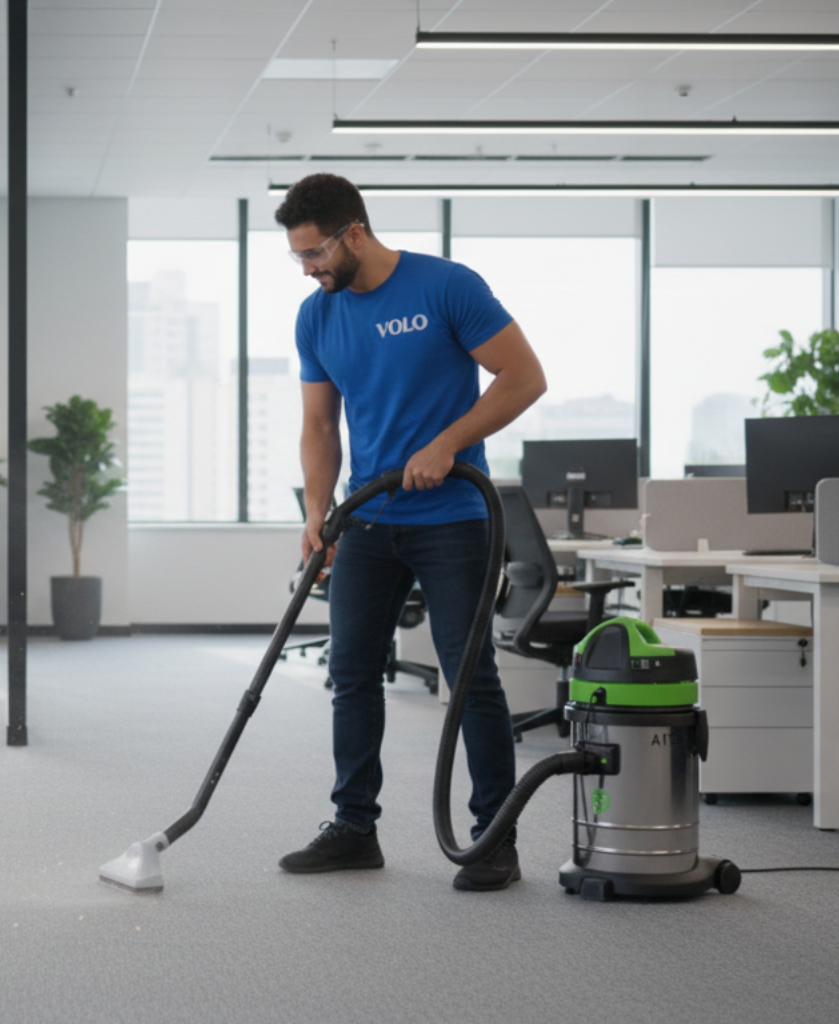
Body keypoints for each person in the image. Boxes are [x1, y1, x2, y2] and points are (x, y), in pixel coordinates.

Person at [273, 173, 547, 891]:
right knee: (351, 675)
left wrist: (446, 443)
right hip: (368, 519)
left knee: (468, 678)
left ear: (352, 234)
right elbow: (317, 423)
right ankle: (352, 828)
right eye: (297, 258)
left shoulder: (446, 287)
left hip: (452, 517)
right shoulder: (317, 316)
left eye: (313, 254)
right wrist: (316, 511)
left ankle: (493, 837)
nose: (307, 269)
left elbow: (523, 378)